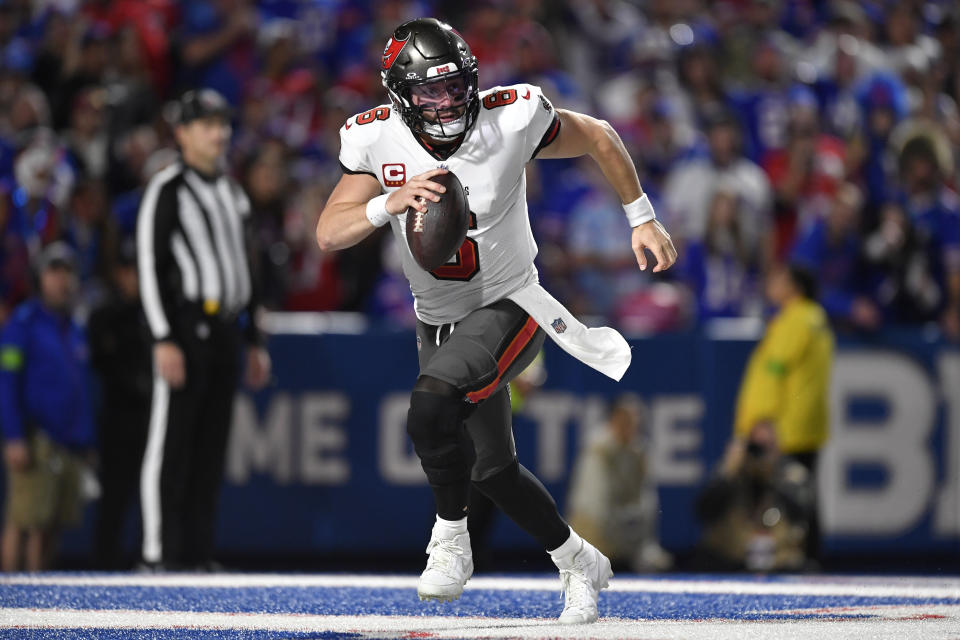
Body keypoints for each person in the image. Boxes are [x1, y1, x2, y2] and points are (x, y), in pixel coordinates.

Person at [317, 18, 677, 624]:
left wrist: (641, 215)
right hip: (437, 318)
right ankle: (579, 561)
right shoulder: (376, 140)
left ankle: (451, 542)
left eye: (455, 86)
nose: (447, 101)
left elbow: (598, 135)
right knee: (491, 470)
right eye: (429, 92)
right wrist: (387, 202)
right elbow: (329, 232)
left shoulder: (510, 118)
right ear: (399, 95)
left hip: (511, 301)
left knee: (431, 405)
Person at [135, 88, 271, 571]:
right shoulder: (167, 188)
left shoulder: (232, 192)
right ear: (183, 133)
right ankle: (157, 553)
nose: (220, 133)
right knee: (170, 445)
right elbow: (150, 266)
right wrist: (163, 337)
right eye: (207, 125)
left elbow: (247, 267)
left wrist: (254, 338)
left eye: (222, 123)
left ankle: (195, 554)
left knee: (211, 448)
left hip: (227, 328)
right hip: (187, 327)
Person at [730, 262, 834, 562]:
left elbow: (774, 373)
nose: (772, 283)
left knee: (790, 496)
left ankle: (799, 558)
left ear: (793, 287)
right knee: (802, 494)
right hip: (801, 423)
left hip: (783, 427)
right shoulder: (810, 319)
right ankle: (807, 556)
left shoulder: (796, 321)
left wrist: (760, 420)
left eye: (779, 278)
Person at [0, 242, 94, 571]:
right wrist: (13, 435)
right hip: (35, 437)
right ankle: (10, 597)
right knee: (25, 519)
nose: (61, 280)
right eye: (54, 272)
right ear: (40, 277)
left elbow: (80, 388)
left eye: (67, 272)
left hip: (67, 441)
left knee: (53, 523)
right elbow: (6, 381)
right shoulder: (23, 324)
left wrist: (85, 440)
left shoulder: (75, 327)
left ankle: (42, 595)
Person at [88, 239, 153, 569]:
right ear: (118, 273)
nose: (134, 278)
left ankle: (148, 559)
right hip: (116, 420)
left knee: (150, 497)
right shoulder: (106, 314)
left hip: (149, 419)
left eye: (139, 271)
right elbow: (101, 361)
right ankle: (104, 564)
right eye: (128, 270)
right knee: (114, 496)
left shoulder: (154, 313)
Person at [566, 394, 672, 573]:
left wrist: (645, 545)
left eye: (633, 420)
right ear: (613, 420)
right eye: (624, 420)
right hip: (595, 539)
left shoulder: (638, 452)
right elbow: (595, 507)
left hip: (625, 537)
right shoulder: (598, 450)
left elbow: (647, 502)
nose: (629, 426)